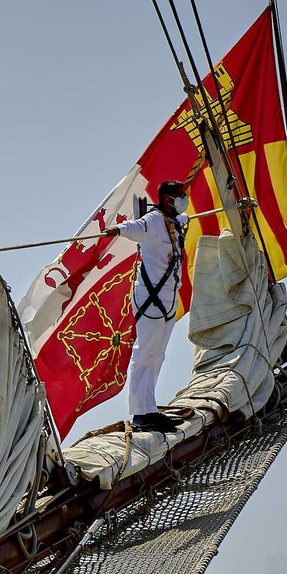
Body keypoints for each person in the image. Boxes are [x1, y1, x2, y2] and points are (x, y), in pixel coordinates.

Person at [103, 179, 191, 432]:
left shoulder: (175, 221)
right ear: (166, 199)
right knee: (145, 352)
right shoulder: (153, 220)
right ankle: (140, 413)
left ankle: (150, 408)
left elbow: (183, 221)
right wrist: (118, 230)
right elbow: (136, 227)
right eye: (179, 196)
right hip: (151, 297)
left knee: (158, 354)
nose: (184, 199)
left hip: (169, 295)